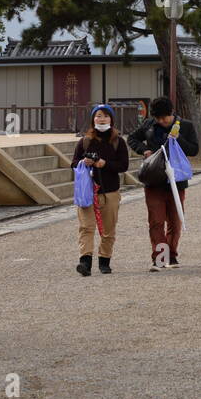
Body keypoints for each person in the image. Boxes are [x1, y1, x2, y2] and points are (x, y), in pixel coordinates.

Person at [128, 96, 199, 271]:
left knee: (175, 221)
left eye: (164, 118)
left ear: (172, 113)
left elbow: (194, 149)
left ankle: (172, 256)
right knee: (156, 221)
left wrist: (178, 138)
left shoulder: (186, 126)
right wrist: (144, 150)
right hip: (154, 180)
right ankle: (160, 258)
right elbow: (132, 138)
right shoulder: (149, 125)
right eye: (157, 118)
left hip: (177, 180)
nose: (161, 121)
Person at [70, 104, 130, 276]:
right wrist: (84, 162)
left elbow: (124, 165)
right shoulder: (85, 141)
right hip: (88, 191)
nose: (101, 119)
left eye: (105, 116)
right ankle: (85, 262)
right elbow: (73, 163)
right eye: (98, 116)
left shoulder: (118, 142)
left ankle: (105, 261)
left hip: (110, 191)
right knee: (86, 227)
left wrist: (105, 164)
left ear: (111, 119)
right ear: (92, 119)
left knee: (108, 229)